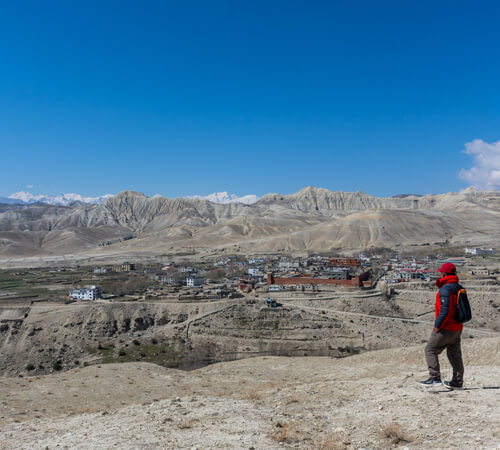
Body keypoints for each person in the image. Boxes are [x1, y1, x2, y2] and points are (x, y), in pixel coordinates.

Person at [420, 262, 464, 389]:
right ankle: (457, 383)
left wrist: (437, 326)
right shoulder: (458, 287)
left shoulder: (445, 289)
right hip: (457, 327)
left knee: (430, 350)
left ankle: (434, 378)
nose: (440, 275)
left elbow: (445, 310)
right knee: (455, 356)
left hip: (446, 327)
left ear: (444, 274)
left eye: (441, 273)